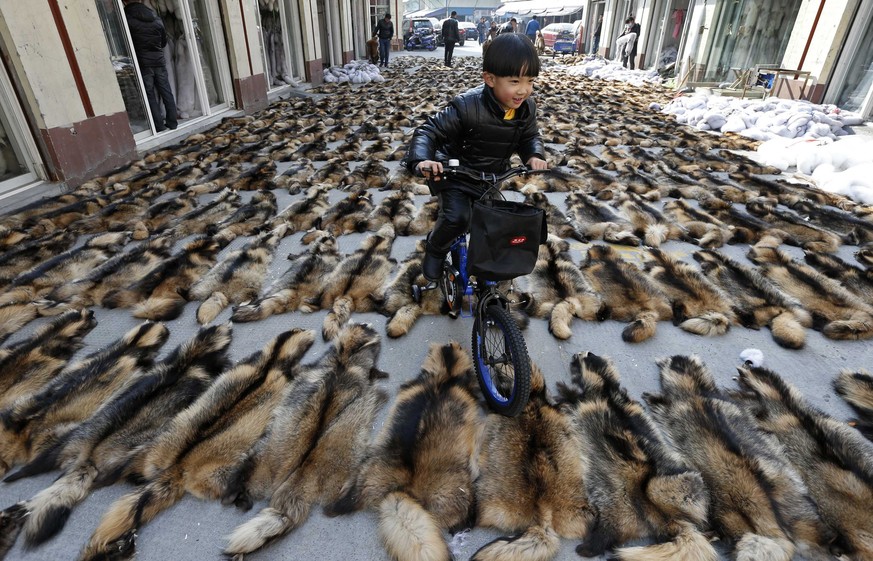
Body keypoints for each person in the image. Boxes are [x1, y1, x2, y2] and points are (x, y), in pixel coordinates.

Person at [404, 33, 548, 281]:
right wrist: (422, 160)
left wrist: (534, 154)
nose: (524, 90)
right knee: (458, 218)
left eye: (530, 81)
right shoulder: (467, 106)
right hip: (454, 174)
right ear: (490, 79)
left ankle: (487, 270)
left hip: (490, 177)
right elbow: (428, 131)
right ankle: (435, 250)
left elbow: (530, 136)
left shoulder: (526, 109)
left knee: (492, 225)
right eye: (514, 81)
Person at [123, 0, 177, 132]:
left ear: (124, 2)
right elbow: (163, 42)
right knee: (166, 91)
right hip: (158, 61)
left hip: (143, 63)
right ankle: (172, 122)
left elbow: (125, 43)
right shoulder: (155, 18)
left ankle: (158, 125)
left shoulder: (126, 19)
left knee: (149, 94)